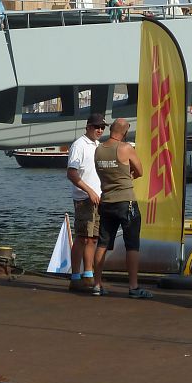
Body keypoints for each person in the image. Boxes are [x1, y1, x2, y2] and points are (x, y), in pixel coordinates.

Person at [93, 118, 152, 299]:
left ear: (111, 130)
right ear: (125, 132)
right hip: (126, 202)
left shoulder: (99, 150)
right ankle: (133, 287)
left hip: (107, 201)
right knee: (132, 245)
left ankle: (96, 284)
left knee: (103, 243)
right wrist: (126, 178)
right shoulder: (125, 148)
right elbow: (140, 171)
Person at [66, 114, 106, 294]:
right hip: (84, 198)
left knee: (93, 238)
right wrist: (89, 190)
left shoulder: (98, 146)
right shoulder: (79, 145)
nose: (100, 130)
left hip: (98, 198)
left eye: (102, 127)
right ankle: (75, 276)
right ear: (88, 127)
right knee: (83, 237)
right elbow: (72, 173)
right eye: (96, 127)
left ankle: (88, 274)